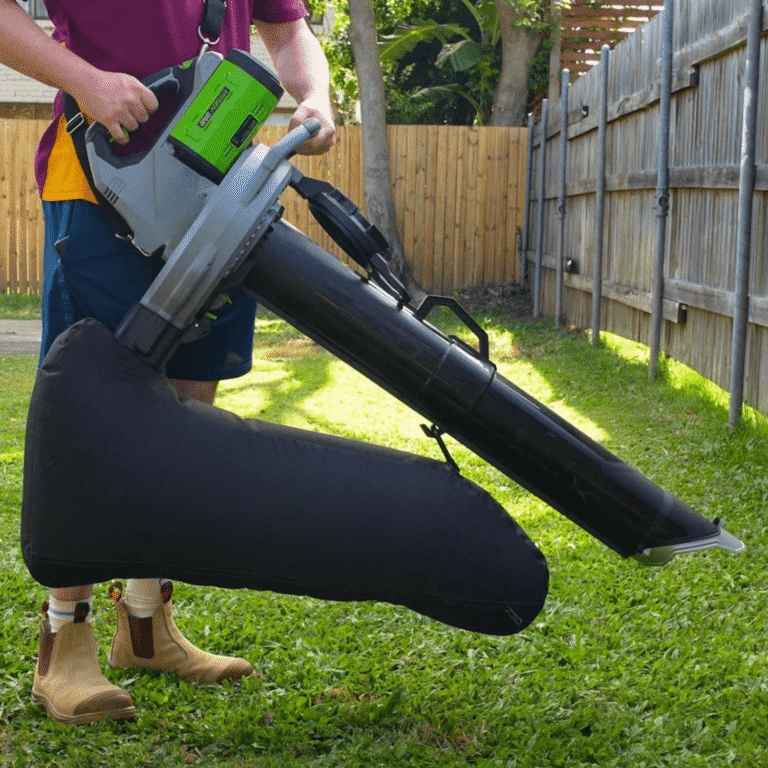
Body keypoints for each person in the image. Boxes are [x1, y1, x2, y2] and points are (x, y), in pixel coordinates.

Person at [0, 0, 336, 724]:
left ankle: (147, 626)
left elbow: (288, 29)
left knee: (184, 411)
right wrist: (85, 80)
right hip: (100, 176)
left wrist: (315, 95)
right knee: (89, 407)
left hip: (217, 186)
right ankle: (64, 640)